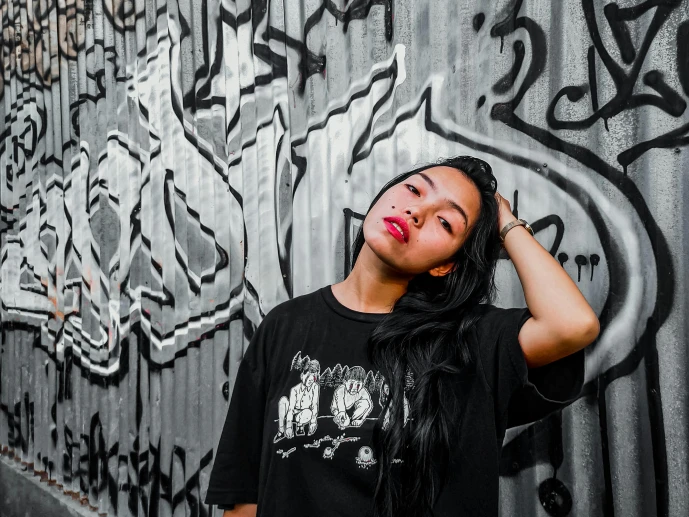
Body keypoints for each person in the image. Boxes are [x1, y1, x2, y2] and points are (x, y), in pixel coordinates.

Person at [204, 156, 599, 517]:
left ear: (446, 265)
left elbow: (572, 325)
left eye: (446, 223)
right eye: (414, 189)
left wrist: (507, 223)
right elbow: (243, 494)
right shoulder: (285, 325)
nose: (416, 212)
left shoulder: (471, 341)